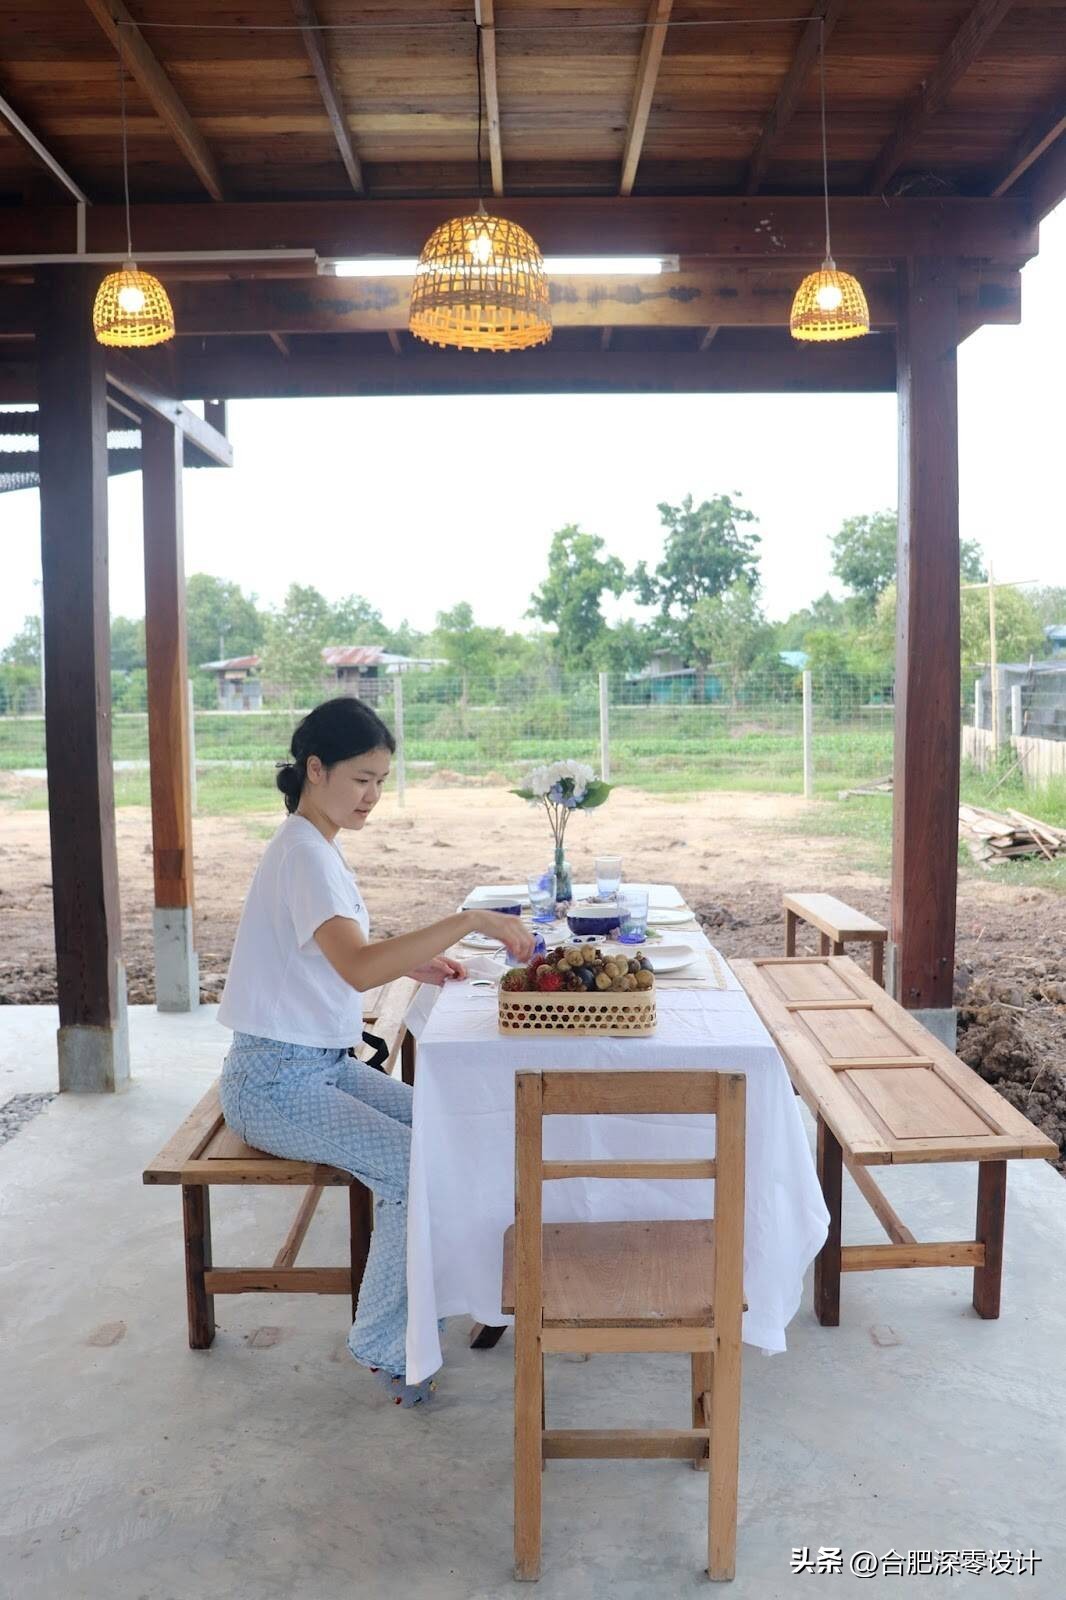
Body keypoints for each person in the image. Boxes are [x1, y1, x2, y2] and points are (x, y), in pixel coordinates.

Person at [216, 696, 533, 1405]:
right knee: (413, 1168)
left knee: (446, 1134)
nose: (373, 797)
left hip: (317, 1066)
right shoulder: (305, 852)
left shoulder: (312, 845)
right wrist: (470, 920)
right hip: (273, 1084)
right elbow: (357, 967)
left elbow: (338, 957)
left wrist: (412, 963)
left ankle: (441, 1294)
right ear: (315, 768)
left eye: (382, 781)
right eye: (361, 778)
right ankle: (385, 1343)